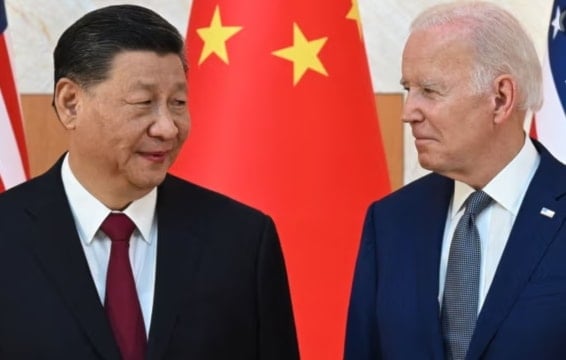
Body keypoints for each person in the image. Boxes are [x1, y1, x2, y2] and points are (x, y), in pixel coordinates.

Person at [0, 5, 299, 359]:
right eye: (143, 102)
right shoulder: (8, 232)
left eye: (178, 103)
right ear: (70, 104)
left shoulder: (242, 240)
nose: (168, 128)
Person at [345, 2, 566, 359]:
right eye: (408, 89)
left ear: (500, 98)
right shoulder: (389, 222)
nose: (408, 113)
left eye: (430, 91)